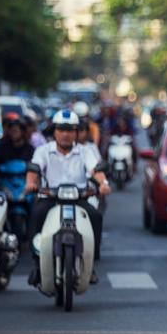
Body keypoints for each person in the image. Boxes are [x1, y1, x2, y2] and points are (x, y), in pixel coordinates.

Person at [25, 110, 111, 286]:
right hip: (50, 197)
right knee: (35, 214)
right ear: (54, 131)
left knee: (95, 216)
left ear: (76, 133)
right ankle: (36, 262)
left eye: (70, 130)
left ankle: (91, 264)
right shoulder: (43, 151)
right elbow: (33, 169)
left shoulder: (85, 151)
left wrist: (103, 184)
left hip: (78, 198)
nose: (65, 134)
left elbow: (96, 170)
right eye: (61, 130)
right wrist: (31, 183)